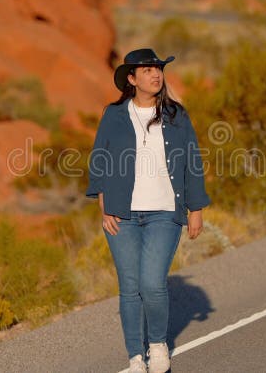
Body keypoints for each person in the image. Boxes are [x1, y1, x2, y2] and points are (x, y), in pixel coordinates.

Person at [86, 48, 211, 373]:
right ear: (131, 79)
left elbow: (193, 163)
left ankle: (157, 345)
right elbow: (99, 158)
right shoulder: (113, 115)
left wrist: (195, 208)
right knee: (129, 287)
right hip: (121, 215)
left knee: (152, 283)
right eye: (147, 70)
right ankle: (135, 358)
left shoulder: (176, 115)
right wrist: (104, 204)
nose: (156, 74)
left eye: (158, 69)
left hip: (163, 212)